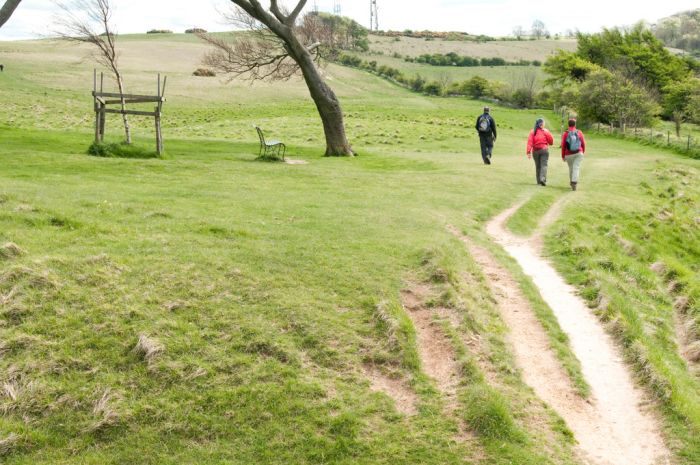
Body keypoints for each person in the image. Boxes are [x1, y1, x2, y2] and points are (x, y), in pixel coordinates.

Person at [526, 118, 554, 186]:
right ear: (541, 124)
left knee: (538, 166)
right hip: (544, 150)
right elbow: (551, 141)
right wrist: (550, 143)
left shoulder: (533, 131)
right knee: (544, 165)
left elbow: (530, 142)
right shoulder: (545, 131)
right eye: (544, 123)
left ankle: (539, 181)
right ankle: (542, 179)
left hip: (535, 151)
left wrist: (528, 152)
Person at [561, 118, 586, 191]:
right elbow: (583, 143)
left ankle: (572, 182)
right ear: (575, 124)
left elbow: (563, 146)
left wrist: (563, 156)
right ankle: (574, 182)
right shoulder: (579, 132)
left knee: (571, 168)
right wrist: (582, 152)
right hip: (578, 153)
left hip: (568, 154)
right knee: (576, 167)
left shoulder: (566, 133)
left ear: (568, 124)